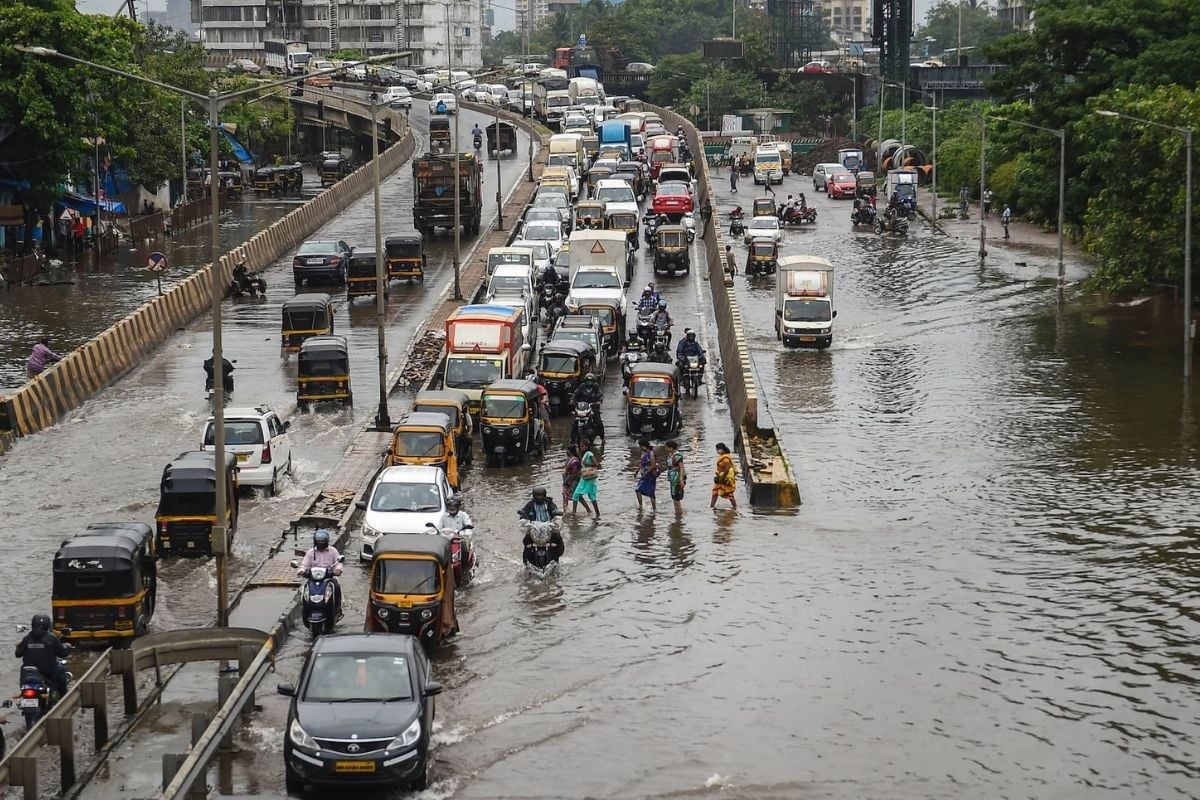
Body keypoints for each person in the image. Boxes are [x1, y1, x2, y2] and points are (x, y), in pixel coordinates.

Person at [15, 614, 69, 697]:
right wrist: (67, 647)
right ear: (47, 625)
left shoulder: (27, 638)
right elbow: (62, 653)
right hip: (49, 671)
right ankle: (63, 698)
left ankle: (23, 693)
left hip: (29, 672)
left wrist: (19, 647)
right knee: (62, 671)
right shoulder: (51, 638)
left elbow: (18, 654)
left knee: (24, 678)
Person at [571, 445, 600, 518]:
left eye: (583, 446)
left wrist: (587, 464)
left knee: (577, 494)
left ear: (587, 446)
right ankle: (597, 514)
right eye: (581, 446)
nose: (581, 448)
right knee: (589, 495)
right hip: (586, 477)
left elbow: (596, 464)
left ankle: (573, 514)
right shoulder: (584, 455)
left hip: (588, 478)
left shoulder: (589, 454)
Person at [710, 442, 738, 510]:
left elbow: (727, 469)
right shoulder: (723, 457)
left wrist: (722, 478)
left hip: (725, 478)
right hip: (721, 477)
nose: (717, 451)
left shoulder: (726, 459)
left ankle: (735, 507)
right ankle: (712, 507)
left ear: (722, 449)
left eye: (718, 449)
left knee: (729, 493)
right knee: (715, 492)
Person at [635, 438, 659, 513]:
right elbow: (641, 463)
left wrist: (646, 473)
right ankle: (640, 506)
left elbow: (653, 465)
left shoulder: (651, 454)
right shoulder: (643, 454)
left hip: (650, 475)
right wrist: (637, 471)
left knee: (651, 493)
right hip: (644, 475)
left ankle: (654, 509)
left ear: (644, 446)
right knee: (638, 490)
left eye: (641, 446)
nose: (640, 448)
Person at [665, 440, 686, 515]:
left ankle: (679, 514)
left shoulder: (677, 455)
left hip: (677, 478)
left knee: (676, 497)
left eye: (666, 447)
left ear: (671, 448)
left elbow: (681, 467)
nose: (665, 449)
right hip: (672, 478)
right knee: (674, 496)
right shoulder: (670, 455)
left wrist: (681, 480)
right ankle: (677, 513)